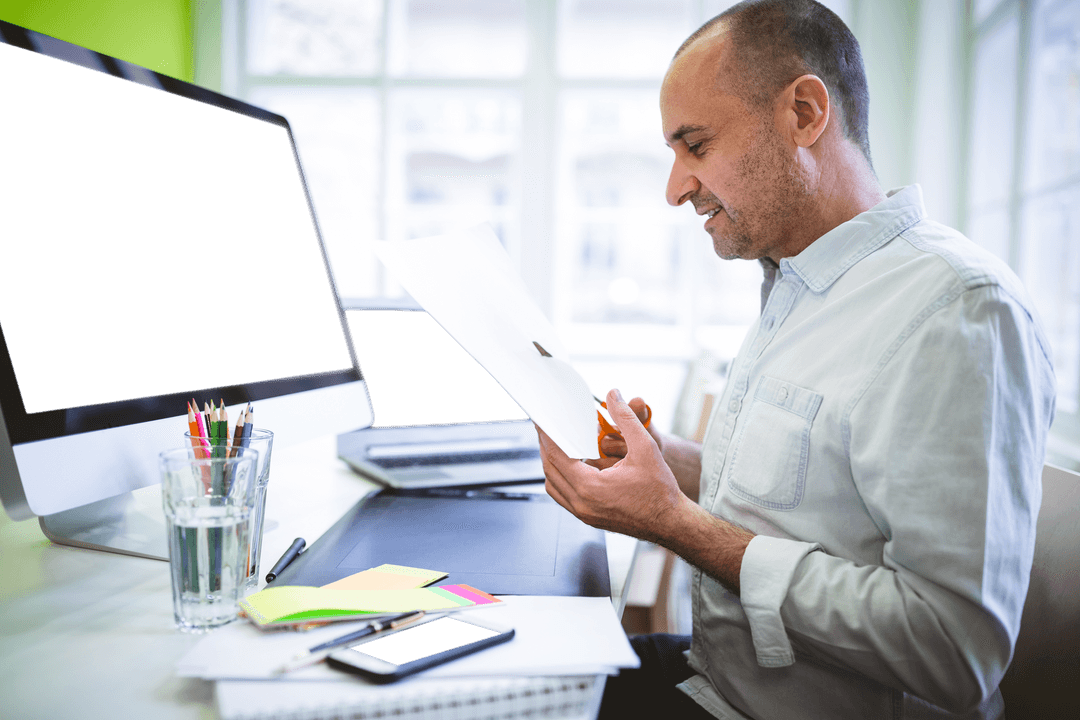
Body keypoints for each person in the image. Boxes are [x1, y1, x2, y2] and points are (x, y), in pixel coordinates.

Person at [534, 1, 1057, 718]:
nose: (675, 188)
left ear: (806, 113)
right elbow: (809, 498)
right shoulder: (798, 282)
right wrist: (663, 459)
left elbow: (953, 648)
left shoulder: (957, 311)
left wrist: (674, 523)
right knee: (518, 663)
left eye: (696, 145)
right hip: (714, 678)